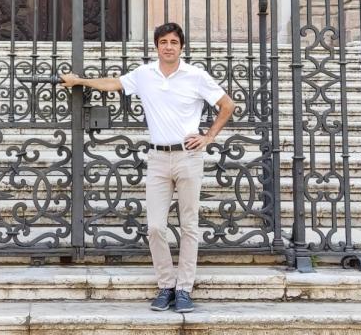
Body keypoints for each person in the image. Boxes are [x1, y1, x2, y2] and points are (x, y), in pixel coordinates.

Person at [60, 22, 235, 313]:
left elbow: (227, 105)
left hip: (188, 157)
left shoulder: (196, 76)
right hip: (157, 158)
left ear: (181, 47)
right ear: (156, 46)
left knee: (189, 225)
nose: (168, 46)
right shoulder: (145, 74)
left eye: (173, 42)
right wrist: (80, 82)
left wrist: (209, 136)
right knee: (155, 226)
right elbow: (114, 84)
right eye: (163, 42)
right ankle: (166, 285)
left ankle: (184, 289)